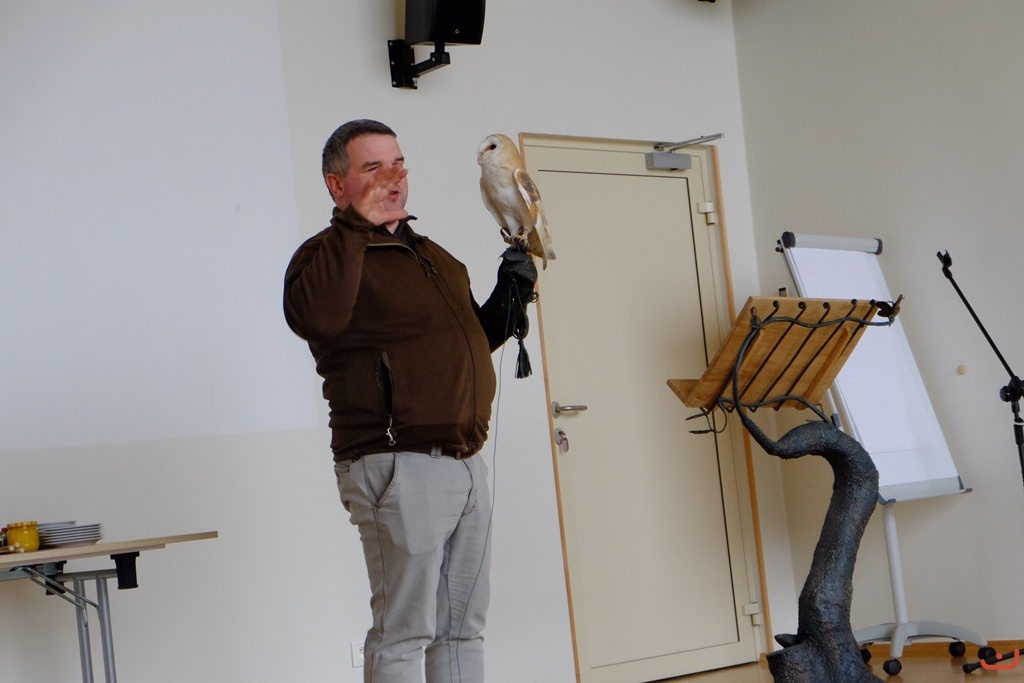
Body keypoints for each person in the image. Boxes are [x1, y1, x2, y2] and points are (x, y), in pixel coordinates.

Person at [282, 119, 536, 683]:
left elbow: (467, 340)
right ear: (336, 185)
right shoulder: (322, 256)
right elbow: (316, 318)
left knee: (461, 629)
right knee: (404, 633)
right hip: (395, 464)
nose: (392, 178)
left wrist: (511, 297)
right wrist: (355, 227)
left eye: (397, 164)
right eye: (372, 167)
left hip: (465, 462)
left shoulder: (434, 256)